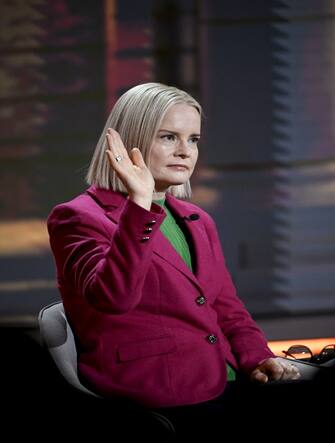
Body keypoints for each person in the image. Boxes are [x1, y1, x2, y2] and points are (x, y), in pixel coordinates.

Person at [47, 82, 300, 438]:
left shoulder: (197, 219)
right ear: (131, 140)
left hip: (223, 378)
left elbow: (226, 307)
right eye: (168, 137)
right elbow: (113, 298)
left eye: (193, 139)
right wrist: (139, 203)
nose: (185, 152)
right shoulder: (77, 217)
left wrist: (258, 357)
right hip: (157, 395)